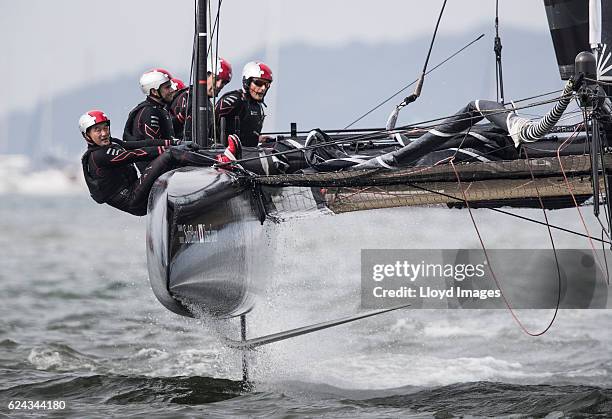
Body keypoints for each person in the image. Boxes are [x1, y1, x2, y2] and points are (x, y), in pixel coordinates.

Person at [80, 110, 234, 216]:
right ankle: (220, 162)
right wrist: (170, 149)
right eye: (97, 130)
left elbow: (142, 144)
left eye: (105, 128)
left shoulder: (112, 143)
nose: (104, 133)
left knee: (174, 152)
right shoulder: (98, 156)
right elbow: (135, 154)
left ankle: (220, 157)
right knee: (170, 155)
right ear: (87, 135)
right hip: (134, 200)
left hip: (136, 191)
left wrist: (174, 142)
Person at [123, 68, 177, 171]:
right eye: (167, 87)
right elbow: (154, 149)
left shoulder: (159, 109)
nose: (172, 90)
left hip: (163, 168)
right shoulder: (150, 112)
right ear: (154, 91)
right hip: (156, 173)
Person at [168, 57, 233, 141]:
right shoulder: (188, 97)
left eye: (224, 82)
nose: (219, 85)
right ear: (205, 75)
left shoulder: (208, 103)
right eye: (216, 79)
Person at [215, 61, 272, 147]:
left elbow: (245, 136)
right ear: (247, 82)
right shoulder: (233, 100)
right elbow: (210, 126)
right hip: (229, 156)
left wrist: (259, 139)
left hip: (249, 155)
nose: (263, 88)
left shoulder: (258, 106)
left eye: (266, 84)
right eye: (259, 83)